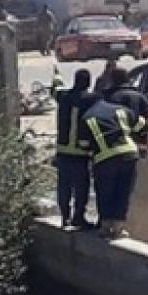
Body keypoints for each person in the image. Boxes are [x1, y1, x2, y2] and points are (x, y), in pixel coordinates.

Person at [77, 93, 147, 239]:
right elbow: (141, 124)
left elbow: (84, 144)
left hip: (105, 159)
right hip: (129, 154)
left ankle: (105, 227)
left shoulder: (87, 117)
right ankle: (118, 228)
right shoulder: (121, 109)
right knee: (123, 191)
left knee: (105, 192)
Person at [53, 69, 94, 230]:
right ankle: (78, 217)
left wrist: (57, 74)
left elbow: (55, 88)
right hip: (80, 152)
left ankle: (65, 217)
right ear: (88, 83)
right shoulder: (90, 99)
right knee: (81, 187)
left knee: (64, 186)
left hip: (63, 151)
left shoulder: (63, 97)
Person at [103, 66, 148, 157]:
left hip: (115, 146)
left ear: (112, 80)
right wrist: (141, 128)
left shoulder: (108, 98)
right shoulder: (139, 96)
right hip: (137, 145)